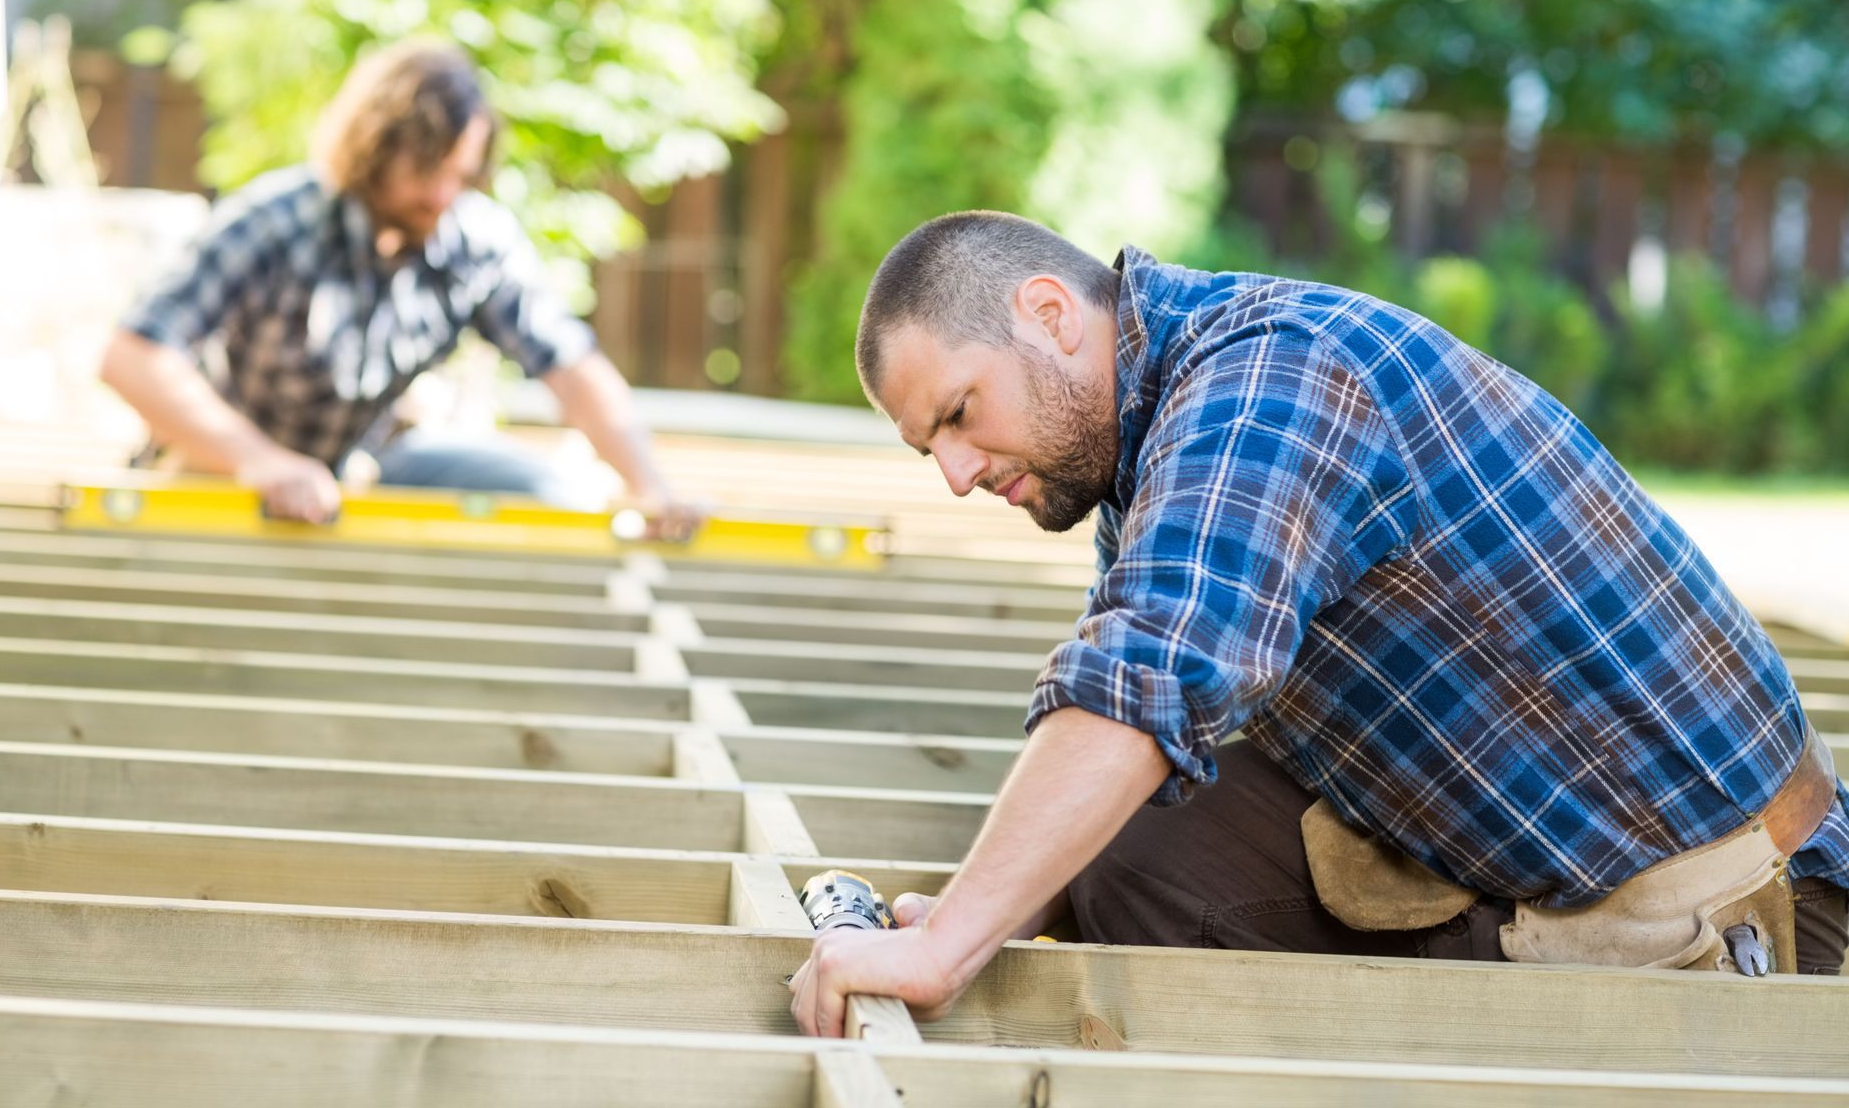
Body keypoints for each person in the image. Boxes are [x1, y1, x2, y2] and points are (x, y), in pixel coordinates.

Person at [789, 209, 1849, 1037]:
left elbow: (1152, 665)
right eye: (932, 449)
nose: (961, 475)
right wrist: (984, 915)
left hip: (1736, 920)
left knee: (1129, 834)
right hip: (1537, 866)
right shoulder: (1151, 448)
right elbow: (1138, 733)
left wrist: (945, 954)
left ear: (1052, 315)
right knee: (1133, 852)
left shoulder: (1271, 379)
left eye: (962, 414)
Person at [101, 39, 690, 527]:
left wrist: (650, 486)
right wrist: (262, 463)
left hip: (356, 467)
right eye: (424, 172)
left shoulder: (472, 238)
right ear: (371, 150)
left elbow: (571, 364)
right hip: (221, 466)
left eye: (458, 176)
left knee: (554, 493)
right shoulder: (277, 220)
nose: (440, 195)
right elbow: (132, 356)